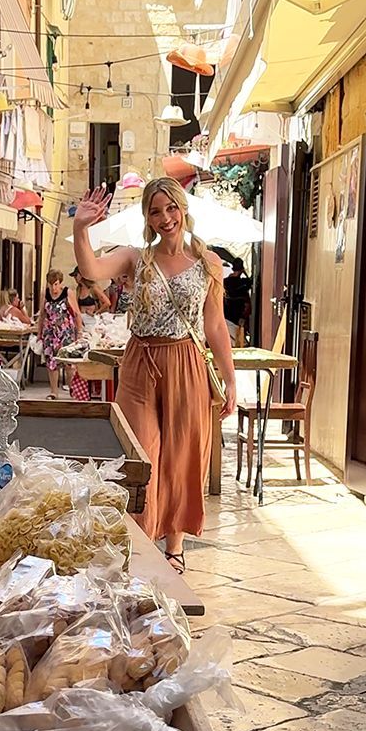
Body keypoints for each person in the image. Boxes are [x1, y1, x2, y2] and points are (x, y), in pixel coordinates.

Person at [73, 178, 236, 574]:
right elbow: (91, 269)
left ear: (183, 209)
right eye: (155, 211)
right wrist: (81, 228)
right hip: (141, 361)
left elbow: (215, 326)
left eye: (171, 208)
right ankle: (143, 541)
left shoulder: (209, 263)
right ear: (147, 217)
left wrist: (230, 379)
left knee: (183, 452)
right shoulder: (135, 259)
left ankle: (175, 545)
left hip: (187, 363)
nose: (165, 218)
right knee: (141, 453)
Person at [36, 270, 82, 400]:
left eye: (56, 284)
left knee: (69, 363)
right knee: (51, 362)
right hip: (50, 333)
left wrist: (79, 333)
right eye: (51, 285)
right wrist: (39, 332)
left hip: (66, 332)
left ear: (60, 283)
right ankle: (53, 391)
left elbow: (77, 313)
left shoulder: (67, 293)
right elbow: (42, 314)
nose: (54, 288)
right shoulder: (45, 294)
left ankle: (72, 389)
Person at [222, 258, 252, 346]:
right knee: (239, 336)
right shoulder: (244, 283)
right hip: (239, 313)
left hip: (226, 312)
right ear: (242, 269)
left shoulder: (225, 282)